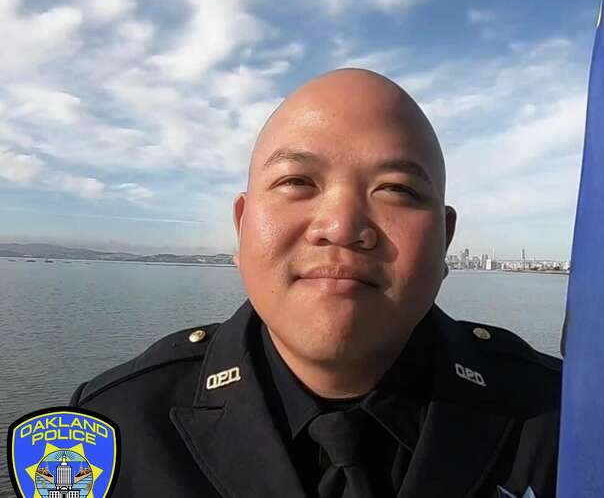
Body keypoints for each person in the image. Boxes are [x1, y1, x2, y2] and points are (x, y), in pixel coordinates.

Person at [69, 69, 561, 498]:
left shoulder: (560, 422)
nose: (342, 225)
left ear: (445, 241)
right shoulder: (109, 430)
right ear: (241, 227)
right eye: (297, 183)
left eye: (396, 190)